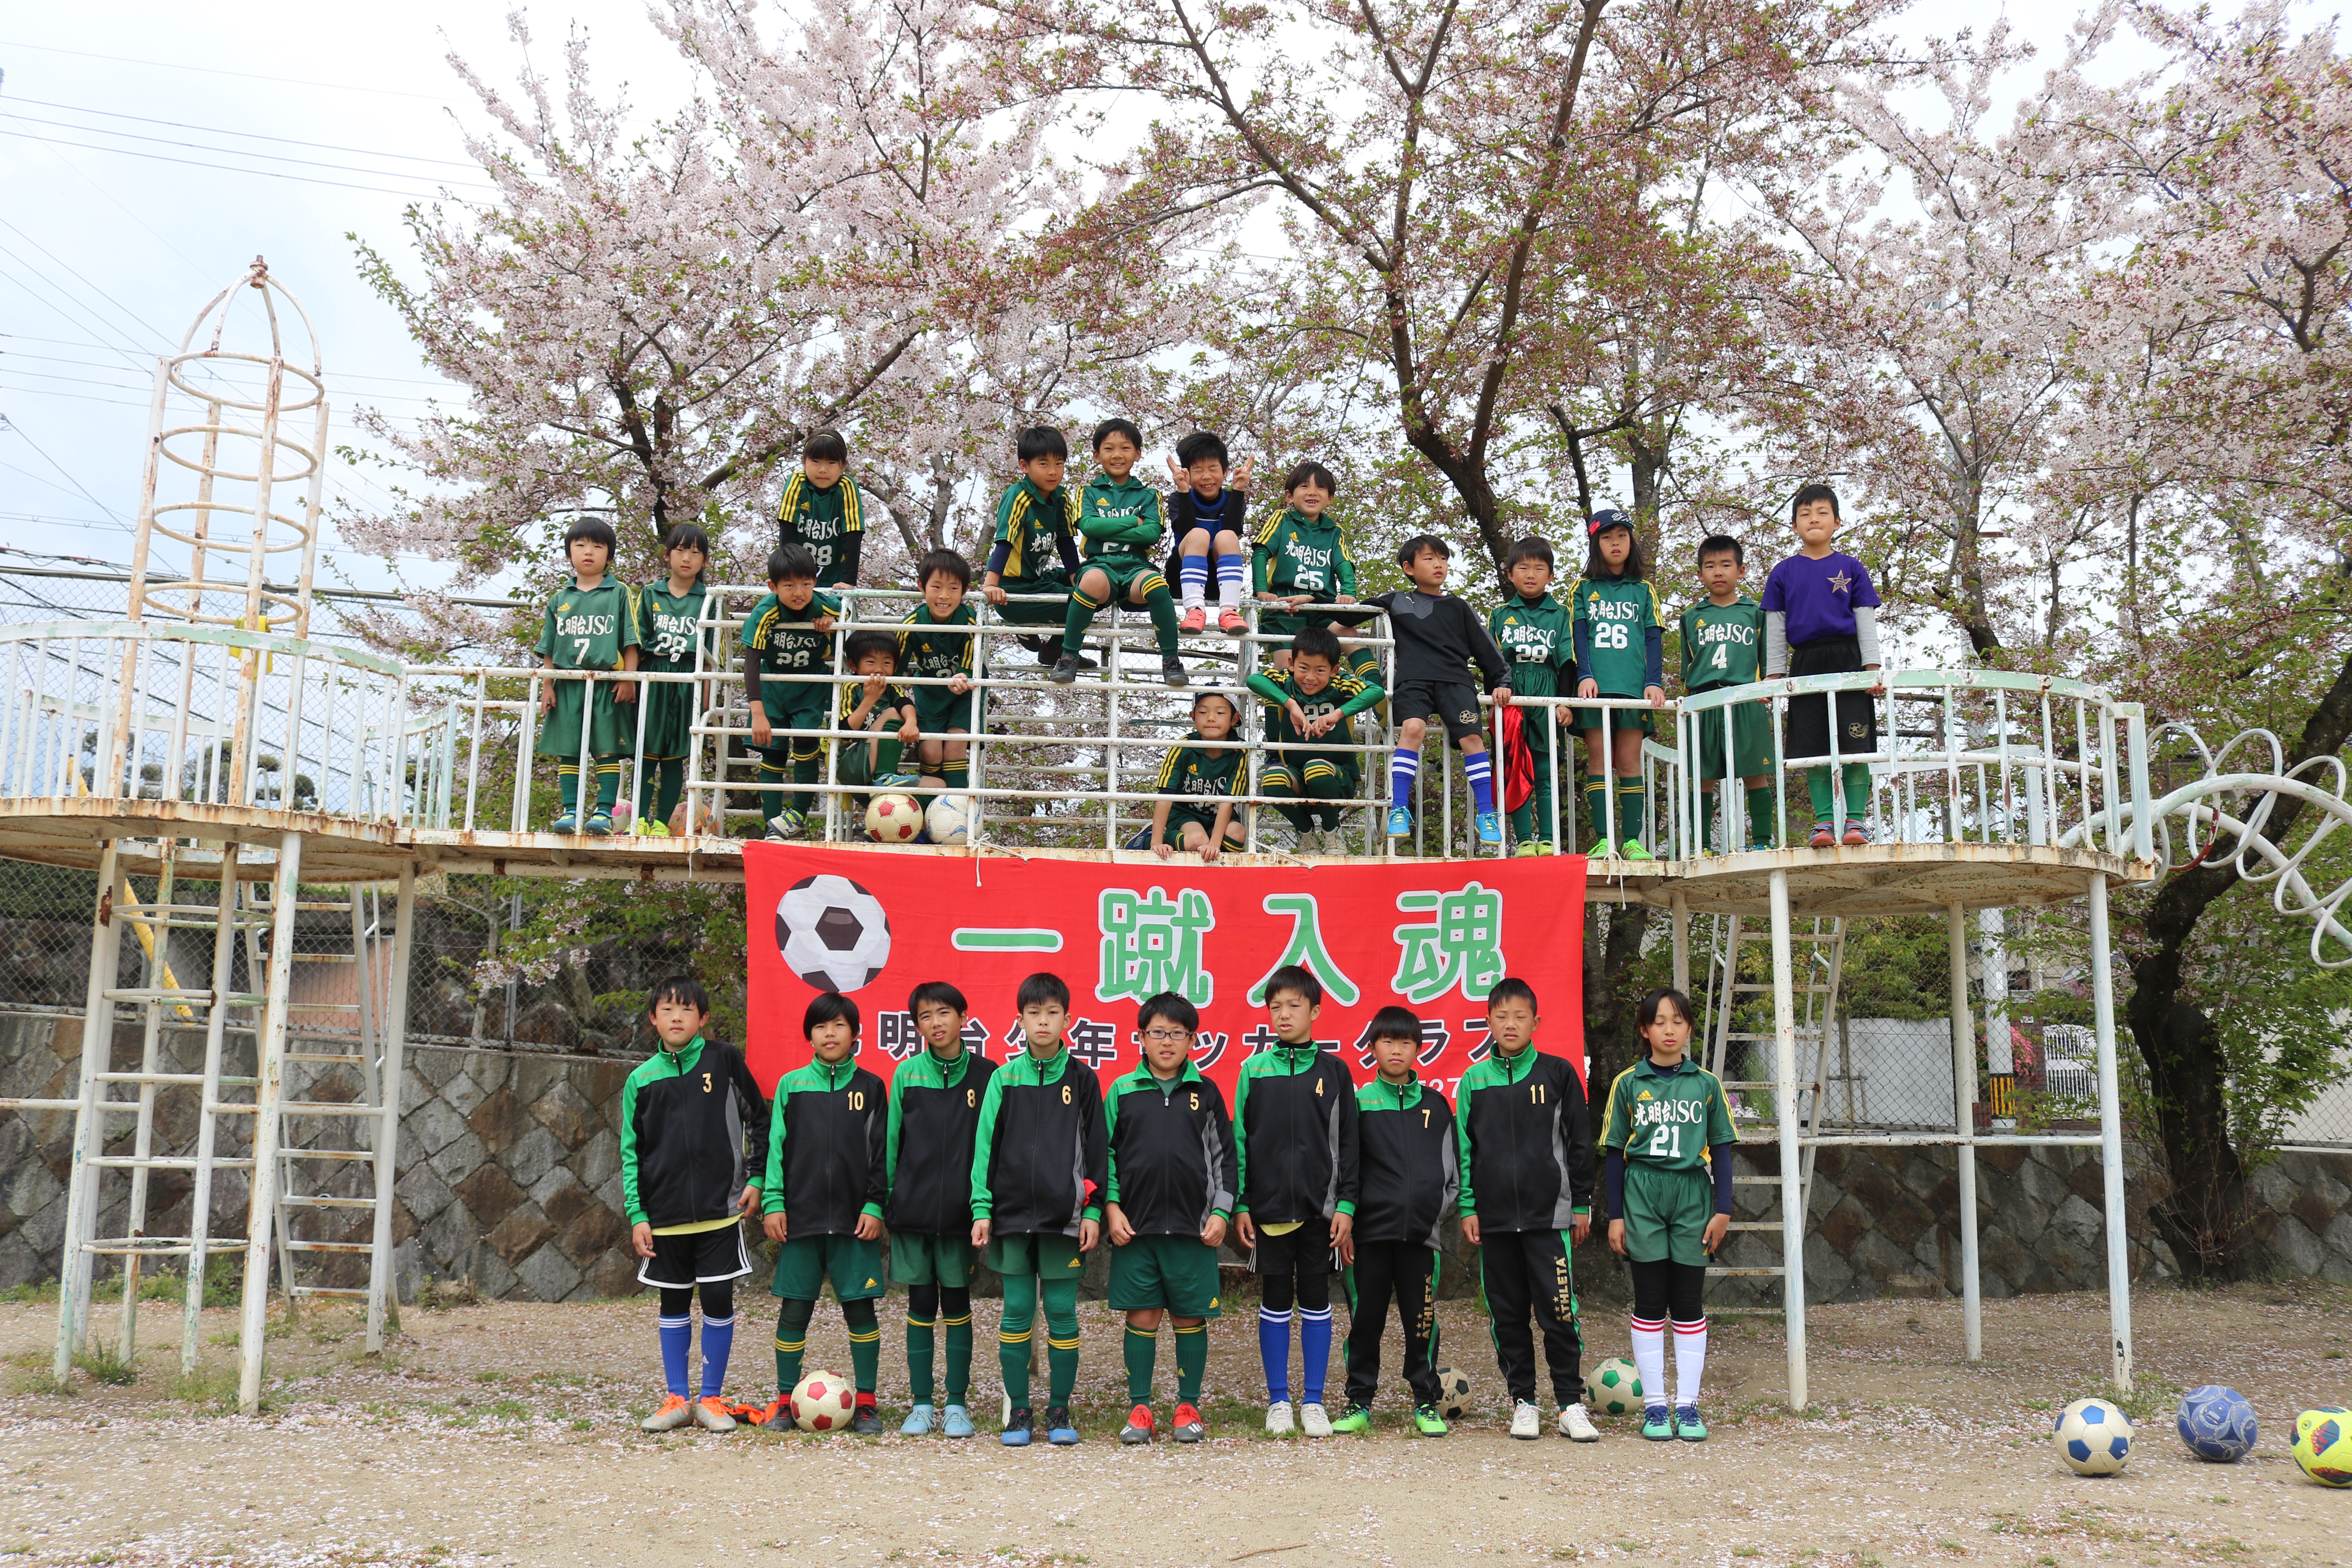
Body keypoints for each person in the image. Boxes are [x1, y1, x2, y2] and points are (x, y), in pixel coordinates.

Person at [1455, 977, 1599, 1442]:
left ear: (1536, 1022)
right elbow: (1465, 1150)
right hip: (1495, 1222)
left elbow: (1580, 1144)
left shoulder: (1558, 1074)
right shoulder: (1474, 1081)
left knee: (1559, 1311)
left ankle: (1570, 1403)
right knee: (1508, 1314)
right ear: (1488, 1022)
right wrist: (1469, 1206)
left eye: (1520, 1016)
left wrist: (1580, 1203)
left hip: (1549, 1220)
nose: (1511, 1024)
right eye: (1501, 1017)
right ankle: (1524, 1402)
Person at [622, 975, 766, 1433]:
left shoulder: (724, 1060)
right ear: (653, 1019)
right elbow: (631, 1152)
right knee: (674, 1304)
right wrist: (638, 1214)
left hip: (720, 1211)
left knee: (719, 1299)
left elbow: (759, 1119)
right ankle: (677, 1400)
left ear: (703, 1018)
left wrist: (757, 1177)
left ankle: (711, 1400)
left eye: (687, 1009)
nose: (677, 1017)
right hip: (664, 1219)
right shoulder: (640, 1080)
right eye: (667, 1009)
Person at [970, 972, 1107, 1446]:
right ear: (1020, 1020)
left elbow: (1097, 1151)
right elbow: (984, 1147)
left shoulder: (1083, 1079)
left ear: (1068, 1019)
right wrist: (982, 1208)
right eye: (1034, 1013)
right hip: (1009, 1217)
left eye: (1052, 1013)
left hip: (1064, 1219)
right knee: (1018, 1311)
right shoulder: (1003, 1079)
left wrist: (1092, 1211)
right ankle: (1020, 1412)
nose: (1043, 1021)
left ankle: (1059, 1410)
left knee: (1063, 1312)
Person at [1598, 987, 1737, 1443]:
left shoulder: (1707, 1085)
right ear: (1645, 1029)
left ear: (1690, 1027)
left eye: (1678, 1020)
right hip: (1643, 1196)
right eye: (1660, 1021)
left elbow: (1721, 1148)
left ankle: (1689, 1406)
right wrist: (1616, 1216)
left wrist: (1723, 1210)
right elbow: (1615, 1153)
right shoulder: (1628, 1083)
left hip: (1693, 1196)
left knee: (1689, 1302)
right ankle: (1656, 1406)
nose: (1670, 1029)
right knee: (1650, 1301)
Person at [1103, 991, 1236, 1446]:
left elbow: (1227, 1159)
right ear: (1141, 1037)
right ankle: (1140, 1407)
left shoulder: (1207, 1091)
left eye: (1177, 1033)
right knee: (1142, 1315)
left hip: (1192, 1230)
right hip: (1135, 1230)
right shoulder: (1122, 1090)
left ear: (1192, 1040)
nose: (1166, 1041)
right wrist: (1113, 1207)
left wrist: (1221, 1211)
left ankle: (1188, 1405)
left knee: (1188, 1315)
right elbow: (1107, 1157)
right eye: (1157, 1032)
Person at [1233, 964, 1359, 1438]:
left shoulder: (1334, 1071)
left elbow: (1349, 1145)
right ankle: (1278, 1400)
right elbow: (1240, 1141)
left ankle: (1313, 1400)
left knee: (1316, 1301)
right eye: (1275, 1007)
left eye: (1294, 1006)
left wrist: (1346, 1206)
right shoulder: (1254, 1069)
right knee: (1275, 1301)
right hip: (1267, 1213)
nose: (1283, 1015)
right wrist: (1242, 1203)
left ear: (1316, 1011)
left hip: (1320, 1214)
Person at [757, 993, 889, 1434]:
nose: (829, 1034)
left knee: (861, 1310)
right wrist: (774, 1202)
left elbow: (880, 1154)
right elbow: (775, 1150)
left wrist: (874, 1203)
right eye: (820, 1027)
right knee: (795, 1311)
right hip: (801, 1220)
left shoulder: (871, 1087)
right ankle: (783, 1401)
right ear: (809, 1034)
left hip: (855, 1222)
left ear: (856, 1034)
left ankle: (866, 1403)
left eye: (838, 1026)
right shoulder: (792, 1086)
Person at [1332, 1004, 1457, 1437]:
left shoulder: (1437, 1105)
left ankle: (1426, 1402)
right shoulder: (1358, 1103)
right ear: (1373, 1048)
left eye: (1406, 1042)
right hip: (1366, 1238)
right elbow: (1342, 1168)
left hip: (1421, 1240)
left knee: (1421, 1322)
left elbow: (1452, 1175)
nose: (1397, 1050)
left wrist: (1432, 1217)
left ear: (1419, 1048)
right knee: (1365, 1323)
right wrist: (1344, 1223)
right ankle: (1359, 1401)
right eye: (1388, 1041)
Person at [886, 980, 997, 1438]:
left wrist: (982, 1207)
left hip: (960, 1217)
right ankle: (921, 1404)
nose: (936, 1023)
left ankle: (956, 1403)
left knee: (956, 1306)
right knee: (919, 1305)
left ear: (963, 1017)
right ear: (916, 1026)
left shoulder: (988, 1075)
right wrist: (884, 1202)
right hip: (912, 1216)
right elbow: (891, 1146)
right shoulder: (906, 1075)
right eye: (925, 1017)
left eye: (944, 1013)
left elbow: (993, 1148)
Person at [1365, 534, 1514, 848]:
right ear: (1408, 567)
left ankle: (1487, 814)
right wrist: (1321, 607)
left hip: (1456, 681)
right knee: (1413, 728)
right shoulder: (1395, 601)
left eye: (1444, 559)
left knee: (1473, 738)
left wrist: (1502, 682)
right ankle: (1400, 808)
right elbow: (1349, 618)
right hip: (1413, 680)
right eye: (1430, 559)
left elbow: (1487, 649)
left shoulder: (1458, 606)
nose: (1439, 565)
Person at [1761, 482, 1883, 847]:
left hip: (1848, 659)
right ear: (1794, 526)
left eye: (1822, 513)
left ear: (1838, 522)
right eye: (1804, 514)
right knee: (1811, 744)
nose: (1813, 519)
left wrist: (1872, 667)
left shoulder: (1851, 567)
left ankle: (1857, 823)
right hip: (1805, 662)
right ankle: (1824, 823)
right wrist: (1774, 675)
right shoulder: (1783, 572)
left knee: (1855, 743)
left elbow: (1865, 618)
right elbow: (1776, 626)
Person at [1053, 418, 1185, 688]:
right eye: (1109, 448)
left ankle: (1171, 660)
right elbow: (1088, 526)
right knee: (1088, 582)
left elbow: (1152, 534)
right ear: (1097, 455)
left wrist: (1107, 530)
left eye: (1125, 448)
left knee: (1158, 586)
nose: (1117, 455)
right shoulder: (1088, 492)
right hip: (1100, 566)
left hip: (1136, 568)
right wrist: (1132, 522)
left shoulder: (1149, 495)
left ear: (1138, 453)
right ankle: (1068, 656)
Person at [535, 516, 641, 836]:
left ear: (609, 556)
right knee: (570, 748)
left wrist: (629, 678)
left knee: (607, 748)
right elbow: (549, 649)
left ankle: (604, 813)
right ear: (569, 554)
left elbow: (631, 640)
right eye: (580, 545)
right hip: (569, 686)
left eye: (598, 546)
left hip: (607, 685)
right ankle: (570, 811)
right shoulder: (559, 599)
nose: (588, 552)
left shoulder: (618, 592)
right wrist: (547, 686)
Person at [1572, 510, 1666, 860]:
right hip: (1596, 689)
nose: (1615, 543)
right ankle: (1602, 839)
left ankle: (1632, 840)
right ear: (1596, 544)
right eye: (1607, 537)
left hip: (1633, 689)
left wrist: (1653, 682)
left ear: (1632, 542)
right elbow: (1578, 636)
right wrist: (1585, 675)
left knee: (1628, 762)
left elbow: (1653, 639)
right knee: (1598, 758)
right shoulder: (1583, 588)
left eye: (1622, 536)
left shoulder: (1644, 590)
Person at [1247, 623, 1385, 855]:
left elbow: (1376, 691)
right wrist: (1291, 705)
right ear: (1291, 664)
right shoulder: (1286, 681)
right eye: (1303, 668)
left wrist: (1337, 714)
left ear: (1334, 670)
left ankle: (1333, 833)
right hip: (1298, 776)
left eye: (1320, 670)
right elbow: (1254, 680)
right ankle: (1306, 834)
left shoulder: (1340, 683)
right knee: (1272, 779)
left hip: (1337, 777)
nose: (1310, 678)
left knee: (1317, 768)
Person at [1679, 535, 1775, 854]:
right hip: (1705, 702)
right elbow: (1688, 666)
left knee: (1755, 773)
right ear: (1700, 574)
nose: (1718, 572)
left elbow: (1767, 659)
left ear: (1741, 570)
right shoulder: (1692, 617)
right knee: (1704, 776)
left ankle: (1762, 841)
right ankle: (1702, 845)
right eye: (1710, 566)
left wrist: (1765, 689)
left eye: (1726, 565)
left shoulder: (1755, 613)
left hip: (1746, 699)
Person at [1488, 537, 1577, 857]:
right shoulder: (1500, 615)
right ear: (1510, 574)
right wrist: (1494, 695)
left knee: (1544, 770)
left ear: (1550, 575)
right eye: (1523, 568)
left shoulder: (1562, 614)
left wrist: (1566, 701)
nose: (1531, 574)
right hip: (1511, 696)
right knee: (1514, 768)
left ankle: (1549, 838)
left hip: (1548, 693)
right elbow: (1493, 661)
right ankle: (1525, 839)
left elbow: (1568, 659)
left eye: (1539, 568)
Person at [741, 544, 838, 841]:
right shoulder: (766, 611)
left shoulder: (825, 605)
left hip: (808, 686)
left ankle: (797, 816)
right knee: (773, 752)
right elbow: (752, 661)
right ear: (773, 587)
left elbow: (849, 615)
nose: (799, 592)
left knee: (807, 746)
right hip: (772, 687)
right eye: (789, 585)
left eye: (807, 584)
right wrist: (757, 711)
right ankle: (773, 826)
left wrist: (831, 626)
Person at [1252, 461, 1377, 684]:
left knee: (1348, 632)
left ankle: (1377, 692)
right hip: (1285, 604)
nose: (1312, 492)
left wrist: (1349, 592)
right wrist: (1262, 591)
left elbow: (1344, 564)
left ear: (1330, 498)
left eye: (1320, 487)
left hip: (1321, 605)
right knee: (1287, 671)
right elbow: (1261, 552)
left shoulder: (1334, 531)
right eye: (1304, 487)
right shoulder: (1283, 519)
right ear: (1290, 496)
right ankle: (1284, 715)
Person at [982, 426, 1094, 671]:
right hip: (1013, 590)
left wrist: (1077, 578)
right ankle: (1061, 651)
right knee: (1084, 599)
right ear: (1025, 466)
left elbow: (1066, 542)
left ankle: (1054, 648)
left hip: (1037, 580)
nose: (1053, 472)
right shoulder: (1019, 496)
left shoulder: (1061, 499)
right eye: (1044, 464)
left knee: (1097, 580)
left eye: (1060, 464)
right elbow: (1005, 541)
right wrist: (991, 585)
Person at [633, 523, 711, 837]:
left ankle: (663, 822)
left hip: (688, 682)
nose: (687, 558)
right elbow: (636, 644)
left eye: (695, 552)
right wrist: (632, 684)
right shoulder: (650, 594)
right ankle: (639, 819)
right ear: (667, 555)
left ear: (704, 562)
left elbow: (711, 657)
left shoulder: (709, 599)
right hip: (654, 677)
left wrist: (705, 700)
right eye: (680, 550)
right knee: (647, 752)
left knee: (675, 757)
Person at [897, 548, 983, 797]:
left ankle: (958, 814)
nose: (944, 596)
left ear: (965, 590)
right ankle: (928, 817)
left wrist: (964, 677)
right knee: (931, 752)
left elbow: (970, 665)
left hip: (964, 694)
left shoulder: (971, 624)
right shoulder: (910, 626)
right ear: (922, 587)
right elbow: (896, 670)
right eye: (936, 587)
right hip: (930, 693)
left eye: (953, 588)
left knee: (955, 748)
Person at [1165, 431, 1252, 633]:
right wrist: (1183, 491)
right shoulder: (1179, 499)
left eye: (1213, 469)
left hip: (1220, 581)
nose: (1206, 477)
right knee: (1198, 534)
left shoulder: (1233, 499)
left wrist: (1239, 490)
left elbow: (1234, 531)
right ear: (1187, 473)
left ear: (1225, 471)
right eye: (1198, 470)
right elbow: (1186, 532)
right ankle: (1194, 610)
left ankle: (1230, 611)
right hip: (1183, 577)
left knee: (1227, 536)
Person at [1148, 688, 1246, 864]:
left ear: (1234, 719)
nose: (1211, 718)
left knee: (1237, 834)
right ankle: (1147, 839)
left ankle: (1214, 866)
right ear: (1193, 716)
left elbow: (1228, 800)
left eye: (1221, 712)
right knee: (1197, 840)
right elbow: (1166, 795)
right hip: (1186, 815)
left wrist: (1215, 844)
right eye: (1203, 712)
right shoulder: (1182, 748)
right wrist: (1156, 841)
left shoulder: (1240, 752)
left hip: (1220, 816)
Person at [831, 630, 923, 800]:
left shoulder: (891, 687)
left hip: (874, 765)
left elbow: (905, 703)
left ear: (895, 667)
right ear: (853, 665)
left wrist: (911, 722)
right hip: (852, 763)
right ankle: (883, 778)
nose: (879, 669)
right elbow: (845, 729)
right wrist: (869, 700)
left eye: (887, 663)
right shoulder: (851, 687)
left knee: (935, 784)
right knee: (892, 713)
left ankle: (885, 780)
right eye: (871, 662)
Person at [775, 428, 867, 588]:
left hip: (836, 572)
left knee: (836, 611)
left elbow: (853, 536)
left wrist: (848, 581)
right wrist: (789, 576)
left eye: (831, 463)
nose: (823, 469)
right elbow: (787, 531)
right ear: (804, 462)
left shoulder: (847, 487)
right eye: (816, 461)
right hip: (800, 572)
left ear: (844, 466)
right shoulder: (798, 483)